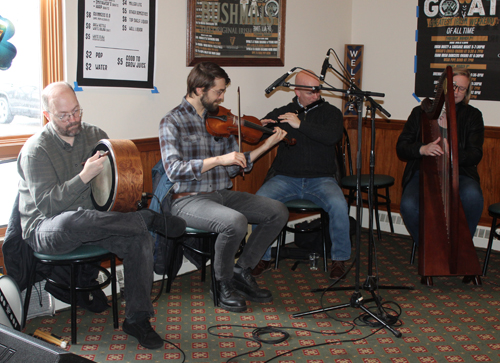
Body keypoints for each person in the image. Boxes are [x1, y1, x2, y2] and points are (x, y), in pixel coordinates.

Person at [17, 81, 186, 350]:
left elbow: (110, 190)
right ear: (47, 115)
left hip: (96, 222)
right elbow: (49, 206)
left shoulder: (96, 136)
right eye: (64, 115)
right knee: (75, 219)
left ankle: (138, 319)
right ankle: (146, 218)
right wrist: (84, 176)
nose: (73, 119)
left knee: (138, 239)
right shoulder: (36, 150)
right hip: (47, 229)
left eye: (76, 111)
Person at [159, 61, 289, 313]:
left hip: (221, 194)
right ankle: (222, 283)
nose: (222, 96)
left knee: (277, 211)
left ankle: (241, 270)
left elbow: (234, 167)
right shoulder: (171, 121)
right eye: (218, 91)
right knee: (235, 222)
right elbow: (174, 169)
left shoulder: (220, 120)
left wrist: (266, 145)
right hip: (188, 199)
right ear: (199, 89)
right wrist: (218, 159)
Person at [252, 70, 352, 280]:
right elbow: (257, 135)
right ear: (297, 91)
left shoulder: (331, 113)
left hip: (321, 179)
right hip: (285, 177)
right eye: (310, 91)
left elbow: (332, 136)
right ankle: (261, 257)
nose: (316, 94)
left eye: (318, 90)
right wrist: (257, 127)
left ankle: (339, 259)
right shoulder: (284, 111)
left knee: (339, 205)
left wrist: (301, 125)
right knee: (258, 203)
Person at [396, 68, 484, 245]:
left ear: (467, 92)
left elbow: (475, 154)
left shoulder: (473, 115)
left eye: (462, 88)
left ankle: (462, 246)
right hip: (422, 173)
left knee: (473, 196)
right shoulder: (419, 112)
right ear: (443, 86)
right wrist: (423, 149)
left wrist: (452, 150)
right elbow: (402, 147)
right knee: (408, 205)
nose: (456, 92)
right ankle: (430, 245)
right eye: (453, 86)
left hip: (460, 174)